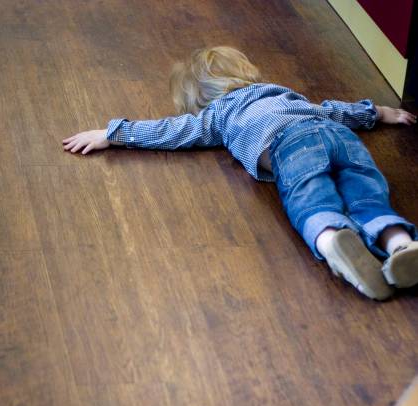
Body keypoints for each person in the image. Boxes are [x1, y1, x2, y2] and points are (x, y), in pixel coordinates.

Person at [62, 46, 418, 300]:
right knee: (366, 195)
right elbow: (332, 111)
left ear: (196, 100)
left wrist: (113, 133)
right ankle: (399, 244)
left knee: (309, 199)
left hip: (290, 146)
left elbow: (171, 131)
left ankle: (331, 241)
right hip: (340, 136)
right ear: (244, 73)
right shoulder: (281, 93)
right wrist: (379, 113)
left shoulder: (217, 114)